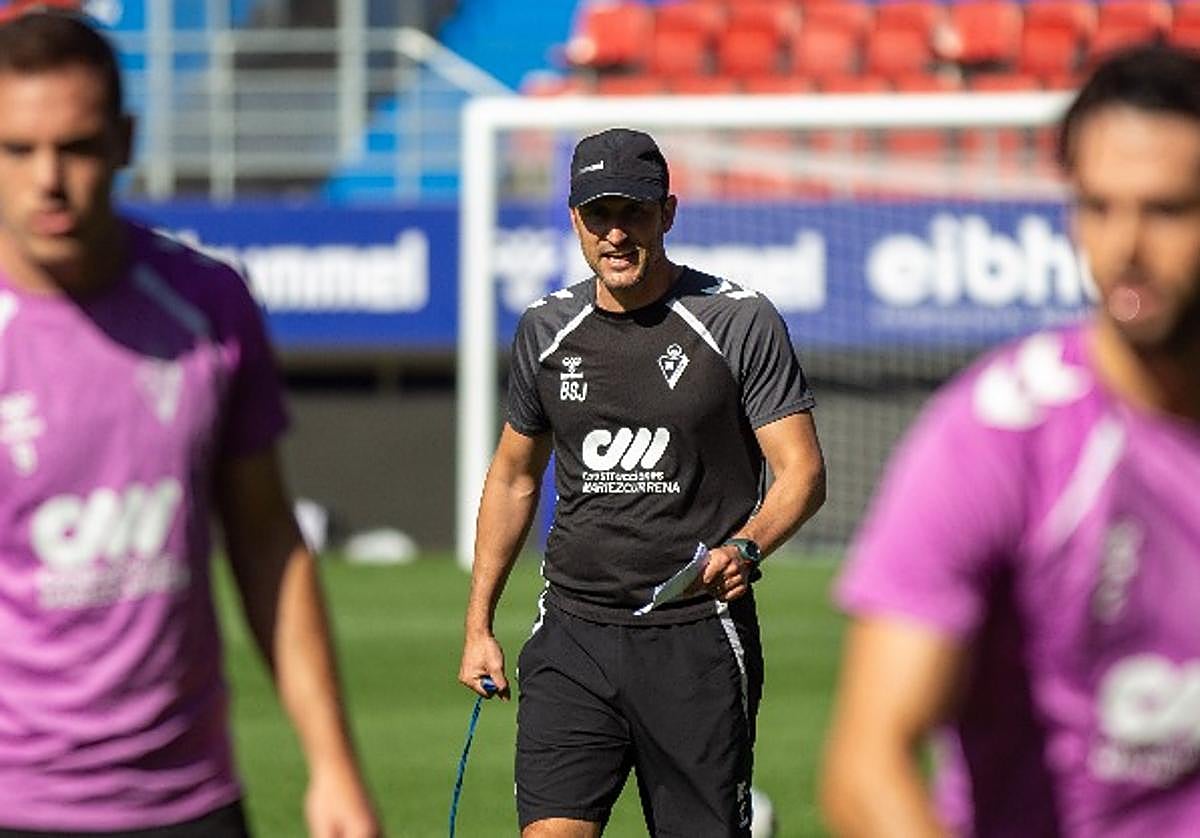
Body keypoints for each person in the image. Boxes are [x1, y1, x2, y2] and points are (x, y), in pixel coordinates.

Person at [0, 12, 379, 838]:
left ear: (125, 140)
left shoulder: (208, 304)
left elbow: (265, 538)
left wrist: (333, 766)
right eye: (17, 150)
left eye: (77, 147)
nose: (48, 180)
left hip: (188, 802)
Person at [820, 44, 1200, 838]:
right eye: (1098, 207)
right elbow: (867, 768)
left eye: (1167, 210)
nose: (1126, 247)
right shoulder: (996, 435)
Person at [457, 126, 826, 837]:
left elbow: (802, 472)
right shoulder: (545, 329)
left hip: (695, 639)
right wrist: (478, 626)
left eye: (634, 212)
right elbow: (513, 479)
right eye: (600, 215)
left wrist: (747, 546)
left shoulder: (737, 320)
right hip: (572, 634)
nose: (616, 234)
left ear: (668, 214)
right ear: (575, 220)